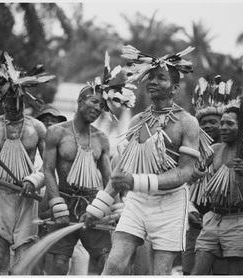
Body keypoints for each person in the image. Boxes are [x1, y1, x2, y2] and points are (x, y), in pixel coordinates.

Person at [83, 45, 200, 275]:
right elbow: (121, 168)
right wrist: (98, 208)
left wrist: (135, 182)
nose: (152, 81)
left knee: (160, 272)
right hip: (137, 202)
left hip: (171, 204)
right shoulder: (137, 121)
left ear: (175, 88)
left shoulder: (187, 123)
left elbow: (185, 172)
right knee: (114, 264)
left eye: (161, 78)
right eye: (151, 77)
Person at [43, 51, 136, 275]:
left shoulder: (101, 139)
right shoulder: (56, 133)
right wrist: (57, 205)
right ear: (80, 101)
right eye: (94, 101)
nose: (97, 108)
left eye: (101, 106)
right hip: (64, 200)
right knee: (58, 263)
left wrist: (113, 208)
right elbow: (47, 169)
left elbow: (108, 179)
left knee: (105, 258)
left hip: (92, 204)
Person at [0, 52, 53, 274]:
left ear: (24, 99)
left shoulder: (37, 128)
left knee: (25, 253)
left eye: (15, 100)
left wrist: (34, 181)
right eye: (6, 99)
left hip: (28, 198)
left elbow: (49, 164)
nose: (10, 105)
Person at [191, 102, 243, 275]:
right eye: (222, 123)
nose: (223, 127)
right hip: (212, 218)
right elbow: (192, 177)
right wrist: (197, 172)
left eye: (230, 124)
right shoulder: (213, 150)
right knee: (197, 273)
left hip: (239, 221)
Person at [182, 75, 232, 275]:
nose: (208, 126)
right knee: (190, 271)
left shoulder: (234, 153)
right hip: (196, 221)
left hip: (226, 221)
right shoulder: (190, 152)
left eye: (213, 122)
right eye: (203, 123)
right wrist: (190, 211)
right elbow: (181, 184)